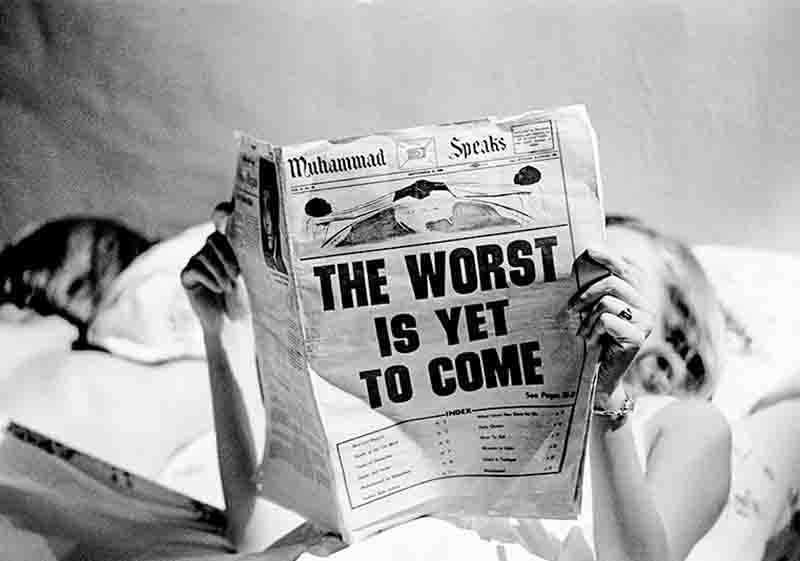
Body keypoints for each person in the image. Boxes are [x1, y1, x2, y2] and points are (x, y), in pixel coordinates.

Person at [177, 213, 733, 561]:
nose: (586, 284)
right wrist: (224, 334)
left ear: (674, 339)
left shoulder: (682, 420)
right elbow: (259, 535)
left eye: (618, 273)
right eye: (576, 265)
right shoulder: (457, 398)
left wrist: (605, 397)